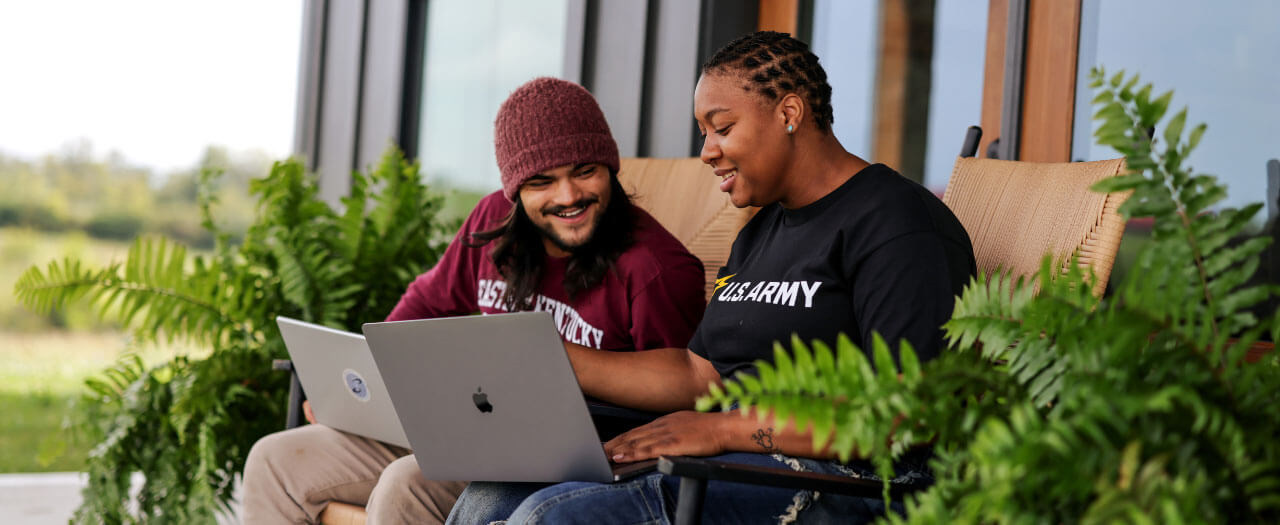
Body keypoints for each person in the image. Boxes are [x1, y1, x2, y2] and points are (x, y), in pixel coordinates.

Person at [446, 31, 977, 524]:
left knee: (550, 516)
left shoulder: (898, 224)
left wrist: (721, 429)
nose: (706, 151)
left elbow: (905, 413)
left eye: (722, 128)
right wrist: (553, 357)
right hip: (738, 456)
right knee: (489, 499)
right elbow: (703, 375)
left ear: (789, 112)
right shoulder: (762, 230)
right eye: (704, 133)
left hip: (849, 480)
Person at [240, 77, 708, 524]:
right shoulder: (491, 224)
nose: (568, 196)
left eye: (584, 171)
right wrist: (364, 392)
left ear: (609, 166)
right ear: (514, 188)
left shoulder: (656, 267)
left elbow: (682, 397)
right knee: (275, 460)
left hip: (558, 457)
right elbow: (422, 309)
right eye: (542, 181)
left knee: (405, 484)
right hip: (459, 423)